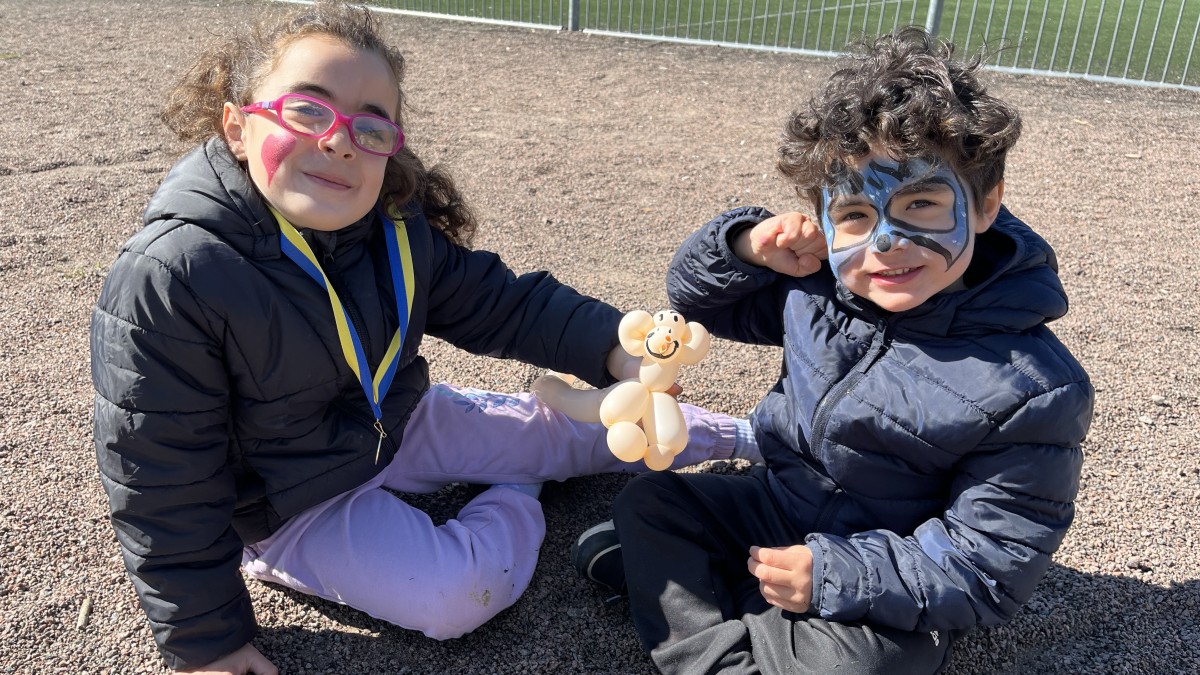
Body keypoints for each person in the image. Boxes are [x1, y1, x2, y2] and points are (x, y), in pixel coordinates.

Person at [89, 2, 759, 672]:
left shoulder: (393, 228)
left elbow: (503, 304)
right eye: (308, 111)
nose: (339, 141)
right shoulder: (173, 276)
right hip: (285, 504)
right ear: (238, 127)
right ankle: (519, 487)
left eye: (369, 126)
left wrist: (615, 348)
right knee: (457, 595)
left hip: (394, 424)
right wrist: (207, 641)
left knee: (597, 430)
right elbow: (160, 476)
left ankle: (755, 435)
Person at [571, 28, 1094, 674]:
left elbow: (986, 565)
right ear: (822, 216)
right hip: (778, 503)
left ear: (985, 204)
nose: (887, 243)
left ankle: (705, 609)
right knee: (649, 503)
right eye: (854, 215)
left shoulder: (1035, 388)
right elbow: (698, 303)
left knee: (863, 664)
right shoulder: (821, 285)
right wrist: (746, 249)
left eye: (922, 203)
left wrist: (832, 576)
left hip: (888, 561)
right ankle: (732, 633)